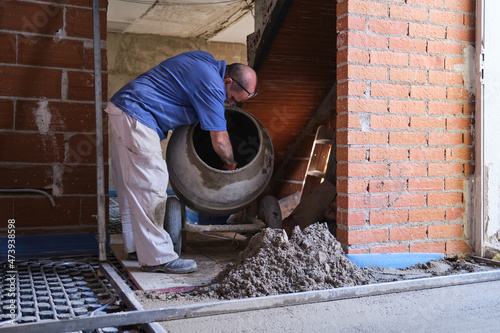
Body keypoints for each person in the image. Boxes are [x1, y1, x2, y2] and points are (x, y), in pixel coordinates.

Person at [105, 51, 259, 274]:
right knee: (152, 184)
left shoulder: (205, 61)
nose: (230, 102)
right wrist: (231, 167)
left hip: (125, 108)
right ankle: (158, 258)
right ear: (228, 81)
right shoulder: (213, 86)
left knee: (131, 185)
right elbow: (220, 141)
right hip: (138, 114)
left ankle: (137, 247)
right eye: (233, 98)